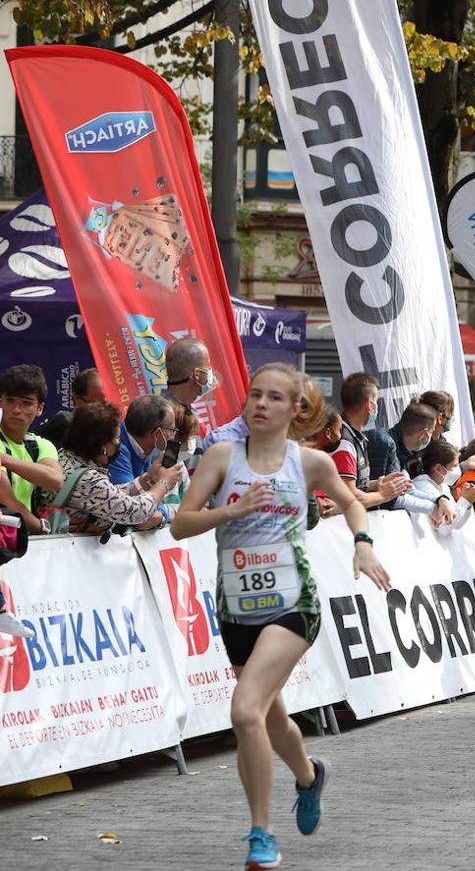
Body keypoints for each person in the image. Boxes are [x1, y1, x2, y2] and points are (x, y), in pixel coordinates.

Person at [170, 363, 391, 870]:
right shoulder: (222, 457)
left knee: (245, 711)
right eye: (254, 395)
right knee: (272, 718)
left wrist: (363, 544)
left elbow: (351, 504)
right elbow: (182, 524)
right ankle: (310, 776)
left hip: (295, 605)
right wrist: (231, 511)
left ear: (296, 410)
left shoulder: (309, 463)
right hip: (236, 606)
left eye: (273, 397)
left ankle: (260, 835)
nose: (260, 404)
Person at [34, 403, 182, 533]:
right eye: (117, 438)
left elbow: (113, 495)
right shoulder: (88, 480)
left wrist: (147, 479)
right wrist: (163, 484)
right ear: (103, 445)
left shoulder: (67, 456)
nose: (119, 443)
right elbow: (136, 511)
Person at [333, 372, 413, 510]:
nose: (377, 406)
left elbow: (353, 484)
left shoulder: (355, 436)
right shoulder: (345, 442)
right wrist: (384, 495)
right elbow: (348, 496)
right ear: (370, 406)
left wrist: (380, 484)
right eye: (376, 401)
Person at [0, 365, 65, 533]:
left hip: (21, 542)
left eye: (27, 403)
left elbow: (56, 480)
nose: (16, 410)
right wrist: (41, 528)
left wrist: (4, 459)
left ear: (40, 409)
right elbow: (7, 501)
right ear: (1, 401)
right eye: (10, 400)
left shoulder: (41, 445)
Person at [105, 393, 179, 527]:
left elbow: (151, 504)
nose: (173, 437)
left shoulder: (143, 448)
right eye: (172, 430)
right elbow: (136, 515)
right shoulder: (117, 451)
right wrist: (171, 509)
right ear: (157, 434)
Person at [34, 367, 107, 447]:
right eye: (96, 407)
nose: (102, 413)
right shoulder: (65, 424)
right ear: (77, 399)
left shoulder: (104, 433)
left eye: (106, 405)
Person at [367, 401, 438, 479]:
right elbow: (374, 486)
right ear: (422, 434)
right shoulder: (383, 443)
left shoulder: (402, 451)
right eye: (431, 432)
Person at [163, 337, 216, 410]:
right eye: (207, 366)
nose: (210, 370)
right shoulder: (165, 417)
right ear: (197, 374)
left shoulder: (173, 410)